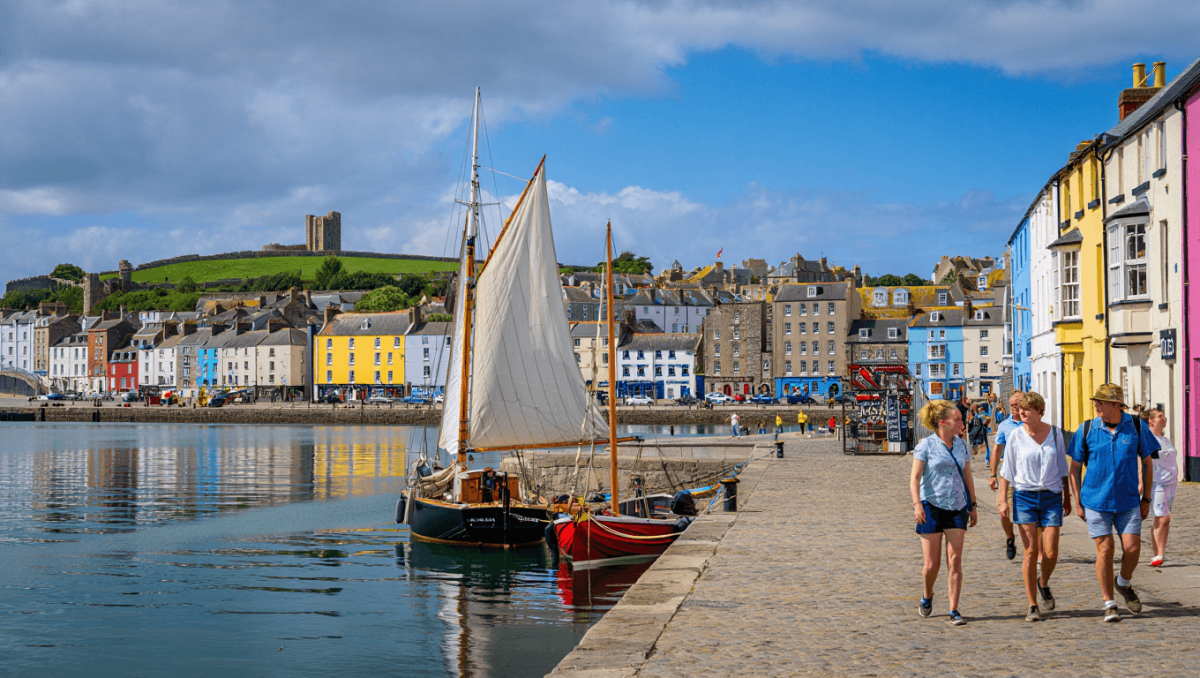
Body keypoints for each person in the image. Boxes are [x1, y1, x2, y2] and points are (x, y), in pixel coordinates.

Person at [1068, 384, 1158, 623]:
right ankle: (1109, 602)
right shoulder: (1087, 429)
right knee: (1105, 550)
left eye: (1101, 401)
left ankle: (1123, 582)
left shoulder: (1137, 426)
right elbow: (1074, 468)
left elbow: (1148, 464)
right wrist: (1078, 501)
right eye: (1096, 401)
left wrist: (1146, 498)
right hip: (1096, 501)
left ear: (1117, 405)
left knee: (1132, 549)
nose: (1096, 405)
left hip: (1128, 501)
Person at [997, 392, 1072, 622]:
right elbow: (1006, 471)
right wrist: (1002, 499)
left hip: (1051, 497)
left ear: (1040, 411)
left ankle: (1043, 582)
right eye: (1020, 409)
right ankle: (1031, 605)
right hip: (1025, 497)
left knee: (1050, 552)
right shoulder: (1016, 436)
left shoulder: (1055, 434)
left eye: (1027, 409)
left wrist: (1067, 497)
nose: (1021, 412)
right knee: (1030, 551)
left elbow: (1062, 467)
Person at [911, 399, 978, 626]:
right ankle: (927, 595)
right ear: (943, 423)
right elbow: (915, 478)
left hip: (957, 506)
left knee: (955, 560)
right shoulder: (926, 446)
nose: (962, 423)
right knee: (932, 565)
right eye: (958, 419)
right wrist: (917, 504)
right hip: (931, 505)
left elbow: (968, 475)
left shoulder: (962, 445)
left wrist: (973, 505)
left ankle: (953, 609)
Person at [990, 391, 1024, 560]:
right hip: (1008, 475)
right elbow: (997, 450)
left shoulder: (1031, 423)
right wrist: (992, 474)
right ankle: (1010, 537)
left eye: (1017, 405)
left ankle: (1032, 549)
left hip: (1028, 478)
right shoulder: (1004, 425)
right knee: (1003, 511)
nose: (1014, 408)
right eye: (1012, 405)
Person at [1142, 407, 1178, 567]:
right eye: (1160, 417)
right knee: (1164, 518)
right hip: (1157, 483)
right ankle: (1159, 554)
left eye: (1164, 417)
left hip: (1170, 483)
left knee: (1161, 519)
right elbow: (1141, 461)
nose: (1164, 419)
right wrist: (1141, 482)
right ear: (1151, 420)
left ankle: (1158, 554)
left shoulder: (1164, 439)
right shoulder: (1147, 439)